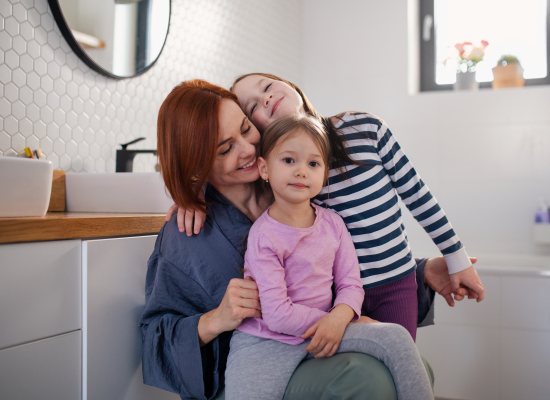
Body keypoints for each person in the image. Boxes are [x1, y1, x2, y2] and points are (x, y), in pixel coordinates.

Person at [140, 80, 441, 400]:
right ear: (195, 166)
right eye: (225, 148)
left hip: (316, 342)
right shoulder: (187, 235)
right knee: (367, 379)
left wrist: (420, 269)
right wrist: (215, 319)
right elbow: (153, 341)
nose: (248, 149)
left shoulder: (294, 189)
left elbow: (346, 253)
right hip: (251, 368)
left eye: (246, 128)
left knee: (414, 367)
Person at [169, 73, 485, 341]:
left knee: (398, 361)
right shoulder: (286, 179)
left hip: (383, 288)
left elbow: (415, 196)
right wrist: (192, 194)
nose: (265, 100)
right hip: (332, 303)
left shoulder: (364, 129)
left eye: (267, 87)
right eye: (253, 108)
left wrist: (451, 260)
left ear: (290, 84)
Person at [224, 114, 434, 400]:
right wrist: (335, 321)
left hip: (326, 329)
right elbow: (277, 315)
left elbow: (350, 284)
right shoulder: (263, 236)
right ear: (264, 168)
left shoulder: (333, 224)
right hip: (267, 342)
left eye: (313, 164)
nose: (301, 171)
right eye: (288, 160)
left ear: (324, 174)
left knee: (396, 337)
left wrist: (340, 317)